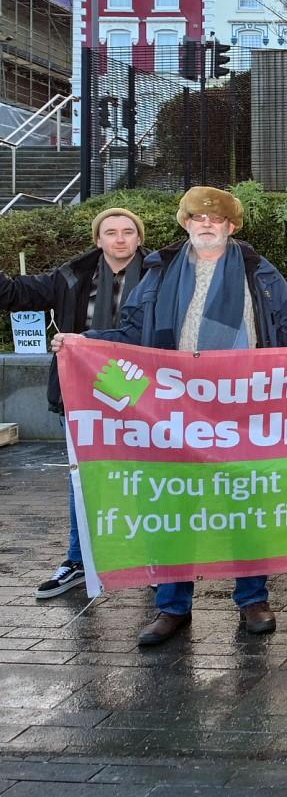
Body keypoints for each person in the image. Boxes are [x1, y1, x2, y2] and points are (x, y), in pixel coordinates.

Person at [52, 186, 287, 646]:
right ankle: (172, 607)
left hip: (242, 404)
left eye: (217, 219)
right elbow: (130, 330)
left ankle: (252, 599)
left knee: (244, 504)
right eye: (198, 218)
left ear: (231, 226)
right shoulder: (159, 269)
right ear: (186, 223)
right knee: (172, 504)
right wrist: (82, 343)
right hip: (173, 406)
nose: (207, 225)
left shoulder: (255, 269)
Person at [0, 206, 149, 600]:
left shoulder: (161, 277)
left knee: (147, 476)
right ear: (97, 240)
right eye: (111, 232)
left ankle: (152, 559)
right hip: (82, 390)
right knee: (81, 478)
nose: (120, 239)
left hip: (144, 393)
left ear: (139, 238)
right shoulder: (71, 277)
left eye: (128, 231)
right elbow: (13, 294)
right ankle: (77, 560)